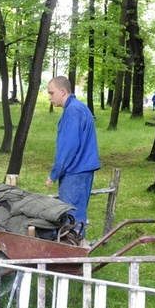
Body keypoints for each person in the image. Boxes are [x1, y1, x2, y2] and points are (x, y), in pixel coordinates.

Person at [44, 76, 101, 235]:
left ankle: (73, 257)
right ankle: (74, 254)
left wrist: (54, 174)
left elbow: (67, 148)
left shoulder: (72, 111)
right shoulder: (80, 107)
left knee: (71, 219)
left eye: (51, 93)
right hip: (82, 171)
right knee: (76, 216)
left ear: (62, 91)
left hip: (75, 172)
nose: (49, 97)